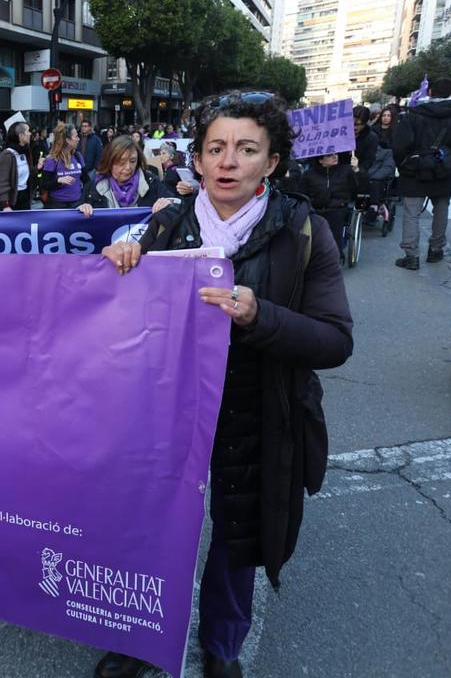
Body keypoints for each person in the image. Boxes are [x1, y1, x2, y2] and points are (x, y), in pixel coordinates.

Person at [97, 92, 353, 678]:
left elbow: (336, 340)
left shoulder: (303, 229)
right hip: (168, 408)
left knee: (237, 534)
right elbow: (119, 318)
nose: (227, 162)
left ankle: (222, 643)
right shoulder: (168, 222)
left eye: (246, 149)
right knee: (154, 526)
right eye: (216, 148)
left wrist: (260, 316)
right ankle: (139, 636)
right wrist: (122, 261)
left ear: (273, 161)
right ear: (198, 158)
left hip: (259, 409)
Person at [391, 77, 451, 270]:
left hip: (414, 168)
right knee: (441, 209)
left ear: (430, 92)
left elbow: (398, 146)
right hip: (444, 168)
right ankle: (435, 249)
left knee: (411, 213)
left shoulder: (412, 115)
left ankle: (411, 255)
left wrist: (404, 164)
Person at [78, 135, 175, 215]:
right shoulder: (91, 189)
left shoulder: (152, 183)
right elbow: (75, 221)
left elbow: (176, 205)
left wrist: (168, 202)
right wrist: (81, 210)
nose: (128, 167)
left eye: (132, 161)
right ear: (110, 162)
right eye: (121, 162)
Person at [294, 153, 358, 256]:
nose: (335, 156)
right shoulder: (308, 175)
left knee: (334, 217)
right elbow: (302, 195)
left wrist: (356, 171)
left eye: (336, 154)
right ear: (320, 160)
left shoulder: (346, 171)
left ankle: (335, 254)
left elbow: (355, 190)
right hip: (316, 207)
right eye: (330, 155)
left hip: (337, 208)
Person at [40, 123, 85, 210]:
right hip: (57, 205)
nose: (78, 139)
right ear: (68, 140)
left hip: (77, 204)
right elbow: (44, 184)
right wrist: (58, 181)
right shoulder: (52, 159)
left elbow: (86, 180)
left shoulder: (78, 156)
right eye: (76, 136)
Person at [0, 121, 34, 211]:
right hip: (11, 201)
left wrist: (37, 168)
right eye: (28, 131)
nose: (30, 134)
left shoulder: (25, 152)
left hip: (24, 198)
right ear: (21, 136)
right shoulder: (8, 155)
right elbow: (2, 182)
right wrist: (5, 205)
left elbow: (26, 175)